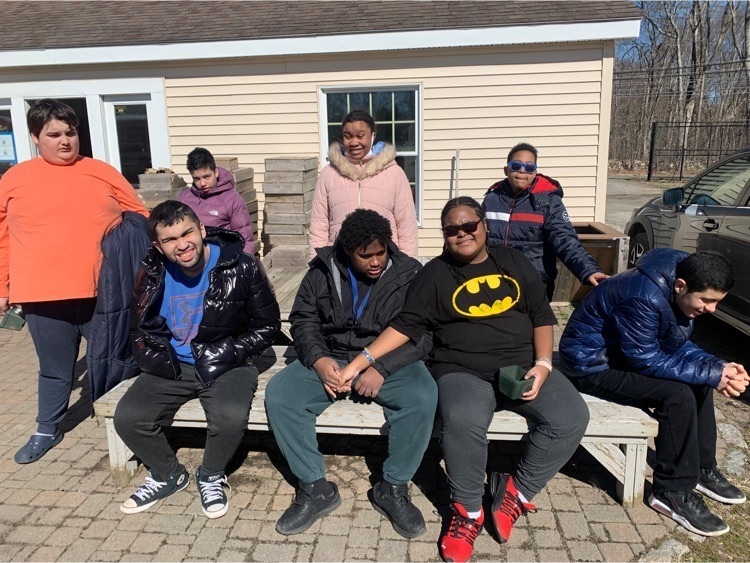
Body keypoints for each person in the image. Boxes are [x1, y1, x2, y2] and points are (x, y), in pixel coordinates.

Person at [338, 197, 589, 562]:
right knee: (463, 420)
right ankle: (467, 511)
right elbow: (407, 326)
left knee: (571, 418)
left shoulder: (514, 262)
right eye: (452, 230)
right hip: (461, 369)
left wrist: (544, 364)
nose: (462, 234)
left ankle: (515, 491)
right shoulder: (435, 274)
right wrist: (362, 362)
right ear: (444, 235)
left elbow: (541, 317)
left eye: (469, 225)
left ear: (484, 225)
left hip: (520, 365)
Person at [266, 209, 436, 538]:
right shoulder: (322, 270)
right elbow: (303, 320)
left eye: (381, 252)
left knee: (423, 397)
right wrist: (318, 360)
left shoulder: (409, 273)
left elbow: (424, 334)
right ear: (347, 250)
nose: (375, 261)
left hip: (388, 358)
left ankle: (393, 487)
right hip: (332, 355)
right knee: (281, 395)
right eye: (365, 255)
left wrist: (381, 368)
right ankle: (316, 488)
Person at [559, 249, 748, 536]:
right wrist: (712, 372)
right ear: (681, 286)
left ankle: (701, 469)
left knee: (701, 382)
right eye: (707, 300)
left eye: (717, 302)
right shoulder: (644, 297)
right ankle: (670, 491)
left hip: (620, 354)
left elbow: (671, 345)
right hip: (590, 364)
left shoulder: (674, 289)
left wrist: (717, 366)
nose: (712, 309)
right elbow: (645, 358)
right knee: (676, 397)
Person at [0, 99, 148, 464]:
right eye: (54, 134)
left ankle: (128, 426)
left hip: (103, 293)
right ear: (35, 137)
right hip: (41, 296)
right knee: (54, 368)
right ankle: (46, 429)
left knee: (117, 360)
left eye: (71, 132)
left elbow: (141, 216)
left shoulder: (100, 171)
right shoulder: (15, 178)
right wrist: (3, 287)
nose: (65, 141)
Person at [113, 200, 280, 518]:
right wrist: (153, 357)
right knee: (128, 417)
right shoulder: (150, 274)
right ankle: (167, 475)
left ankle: (211, 474)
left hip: (227, 361)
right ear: (158, 246)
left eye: (187, 232)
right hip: (172, 364)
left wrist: (227, 352)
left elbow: (268, 326)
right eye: (170, 239)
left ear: (201, 229)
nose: (182, 244)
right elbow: (139, 327)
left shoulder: (242, 266)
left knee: (229, 418)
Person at [482, 142, 608, 300]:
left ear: (535, 172)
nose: (522, 171)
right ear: (506, 170)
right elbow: (477, 238)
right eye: (516, 165)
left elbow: (564, 239)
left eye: (529, 167)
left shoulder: (548, 201)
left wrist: (588, 270)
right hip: (495, 281)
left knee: (531, 325)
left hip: (534, 284)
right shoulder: (492, 199)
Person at [309, 109, 418, 259]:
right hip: (340, 261)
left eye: (360, 136)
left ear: (373, 135)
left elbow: (407, 225)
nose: (354, 142)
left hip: (384, 261)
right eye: (348, 136)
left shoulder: (395, 174)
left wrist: (407, 266)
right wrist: (317, 264)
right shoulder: (328, 174)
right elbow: (319, 225)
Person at [178, 147, 254, 254]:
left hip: (222, 259)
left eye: (207, 177)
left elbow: (244, 238)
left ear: (216, 172)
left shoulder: (232, 199)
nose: (202, 183)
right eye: (197, 179)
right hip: (191, 261)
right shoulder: (184, 198)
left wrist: (245, 266)